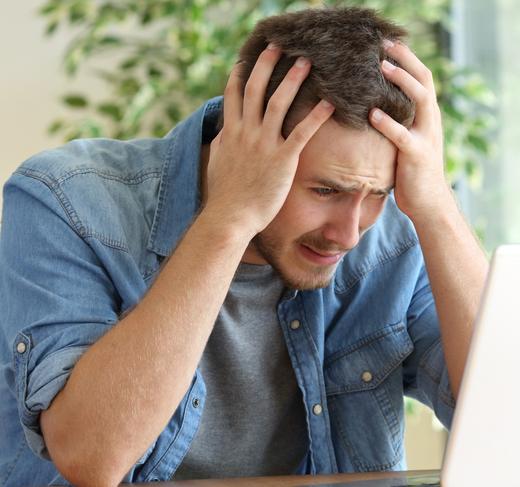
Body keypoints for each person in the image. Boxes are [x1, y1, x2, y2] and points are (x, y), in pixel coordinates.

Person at [0, 6, 487, 487]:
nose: (348, 233)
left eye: (377, 194)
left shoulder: (392, 237)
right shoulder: (67, 200)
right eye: (325, 191)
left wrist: (437, 207)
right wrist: (229, 218)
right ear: (243, 142)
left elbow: (513, 417)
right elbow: (91, 458)